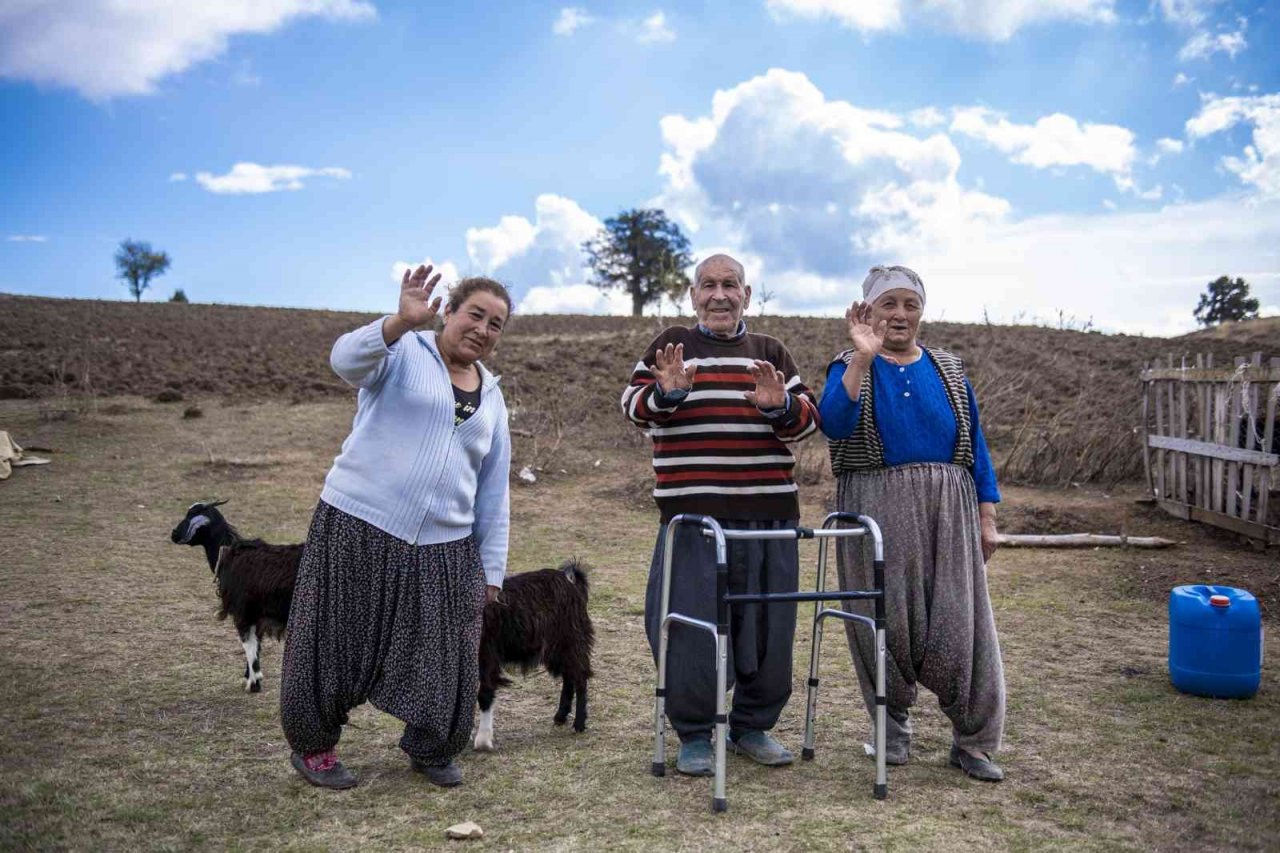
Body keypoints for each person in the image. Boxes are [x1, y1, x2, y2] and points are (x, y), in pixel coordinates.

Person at [280, 264, 512, 790]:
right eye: (474, 314)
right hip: (359, 520)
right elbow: (344, 360)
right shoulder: (404, 352)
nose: (482, 328)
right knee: (334, 638)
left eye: (496, 324)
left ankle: (432, 748)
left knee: (447, 651)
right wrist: (397, 322)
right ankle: (314, 747)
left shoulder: (493, 399)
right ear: (447, 313)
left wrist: (491, 569)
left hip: (445, 544)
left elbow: (494, 491)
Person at [621, 253, 820, 776]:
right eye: (708, 285)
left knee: (768, 628)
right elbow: (632, 407)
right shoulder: (673, 345)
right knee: (689, 627)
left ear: (747, 295)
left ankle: (751, 726)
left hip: (769, 517)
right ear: (693, 295)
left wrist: (779, 406)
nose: (719, 295)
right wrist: (666, 393)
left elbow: (805, 424)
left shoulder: (770, 352)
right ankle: (695, 733)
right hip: (693, 521)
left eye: (730, 285)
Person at [818, 264, 1006, 782]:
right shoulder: (849, 363)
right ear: (869, 310)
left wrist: (986, 516)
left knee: (961, 619)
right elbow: (832, 422)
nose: (899, 314)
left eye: (910, 304)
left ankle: (974, 742)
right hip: (875, 503)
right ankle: (891, 730)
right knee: (881, 617)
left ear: (922, 310)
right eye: (888, 304)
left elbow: (978, 448)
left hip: (950, 505)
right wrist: (862, 355)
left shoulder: (947, 367)